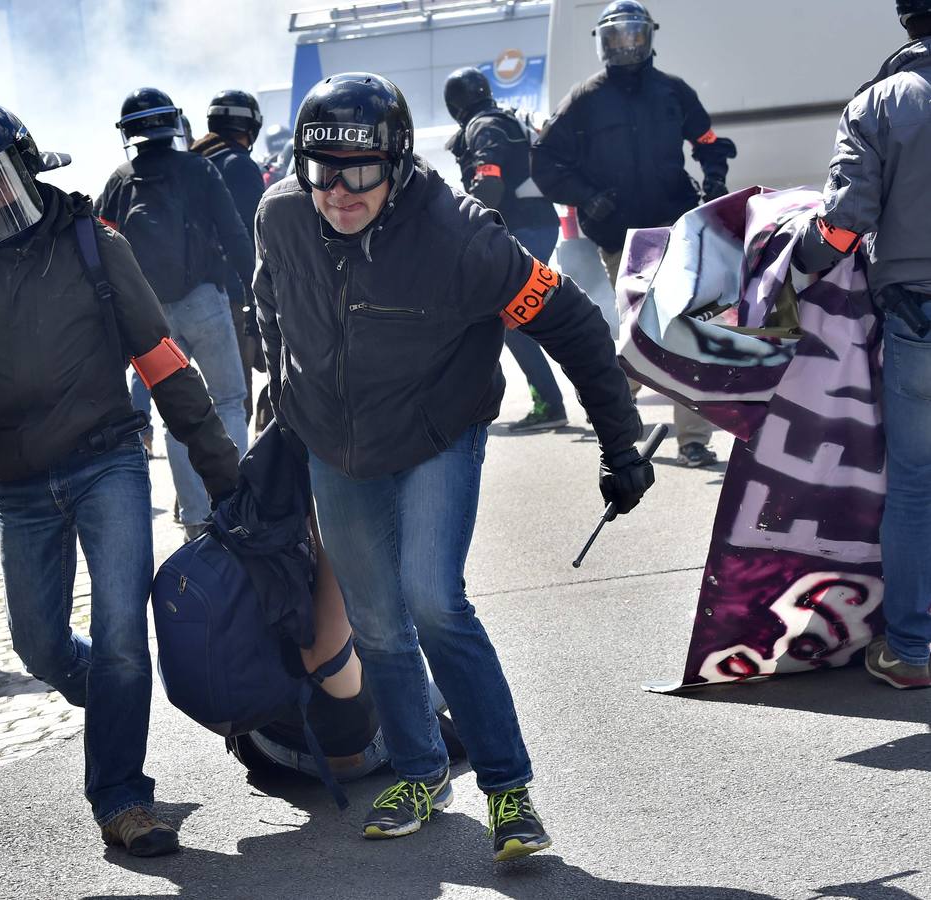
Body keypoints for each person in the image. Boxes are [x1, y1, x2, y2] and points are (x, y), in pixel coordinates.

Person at [254, 72, 652, 860]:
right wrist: (277, 412)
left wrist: (619, 439)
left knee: (432, 601)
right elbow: (266, 310)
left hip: (439, 430)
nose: (338, 191)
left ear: (398, 162)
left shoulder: (460, 235)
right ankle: (420, 771)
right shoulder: (280, 215)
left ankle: (509, 792)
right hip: (337, 442)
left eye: (360, 170)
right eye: (322, 170)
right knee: (374, 621)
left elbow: (570, 322)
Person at [0, 103, 240, 855]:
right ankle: (116, 705)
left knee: (122, 634)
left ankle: (122, 799)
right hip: (21, 486)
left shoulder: (95, 243)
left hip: (108, 463)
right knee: (38, 646)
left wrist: (225, 476)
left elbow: (161, 359)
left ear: (26, 173)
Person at [792, 0, 931, 690]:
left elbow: (845, 221)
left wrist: (793, 263)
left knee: (914, 486)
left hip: (918, 315)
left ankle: (912, 651)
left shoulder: (881, 102)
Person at [531, 0, 737, 467]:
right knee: (644, 328)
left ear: (649, 37)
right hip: (620, 238)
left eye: (634, 35)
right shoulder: (584, 98)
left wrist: (716, 179)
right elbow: (545, 158)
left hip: (677, 227)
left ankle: (693, 439)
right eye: (616, 37)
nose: (626, 45)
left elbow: (708, 142)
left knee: (683, 326)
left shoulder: (673, 92)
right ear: (602, 44)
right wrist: (585, 195)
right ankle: (616, 410)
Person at [96, 87, 254, 540]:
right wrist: (256, 294)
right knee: (227, 402)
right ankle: (238, 501)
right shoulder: (200, 169)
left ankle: (195, 518)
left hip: (151, 318)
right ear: (174, 123)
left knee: (175, 415)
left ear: (128, 133)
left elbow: (101, 251)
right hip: (205, 301)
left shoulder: (119, 180)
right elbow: (235, 235)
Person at [445, 67, 568, 433]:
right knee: (521, 318)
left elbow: (490, 185)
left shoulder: (484, 127)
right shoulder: (500, 119)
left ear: (454, 104)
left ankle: (552, 403)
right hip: (535, 225)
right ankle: (567, 399)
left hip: (524, 227)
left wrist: (459, 229)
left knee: (512, 319)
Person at [191, 89, 268, 425]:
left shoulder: (195, 161)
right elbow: (257, 233)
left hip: (193, 294)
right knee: (237, 401)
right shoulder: (240, 166)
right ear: (249, 125)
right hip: (237, 296)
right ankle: (247, 473)